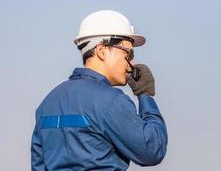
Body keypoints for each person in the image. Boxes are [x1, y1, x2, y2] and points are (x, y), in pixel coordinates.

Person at [31, 10, 168, 170]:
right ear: (102, 51)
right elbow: (152, 150)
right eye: (128, 53)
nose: (131, 62)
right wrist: (145, 96)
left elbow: (38, 165)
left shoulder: (47, 103)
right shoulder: (111, 101)